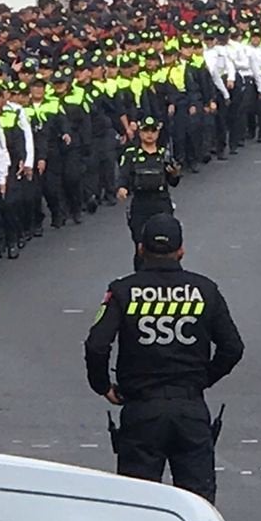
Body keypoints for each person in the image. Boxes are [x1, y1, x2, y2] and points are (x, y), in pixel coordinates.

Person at [83, 215, 244, 504]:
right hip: (189, 408)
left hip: (141, 409)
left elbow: (96, 345)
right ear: (181, 250)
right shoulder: (205, 290)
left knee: (139, 506)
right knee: (197, 506)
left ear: (140, 249)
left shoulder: (122, 291)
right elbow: (232, 347)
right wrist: (201, 379)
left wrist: (103, 386)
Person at [117, 116, 182, 272]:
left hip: (161, 203)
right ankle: (140, 277)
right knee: (141, 246)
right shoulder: (131, 154)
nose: (149, 134)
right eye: (146, 130)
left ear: (158, 133)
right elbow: (123, 175)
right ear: (140, 133)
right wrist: (122, 188)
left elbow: (173, 181)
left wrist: (175, 173)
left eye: (153, 131)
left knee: (165, 244)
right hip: (141, 204)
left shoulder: (164, 154)